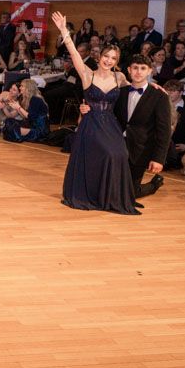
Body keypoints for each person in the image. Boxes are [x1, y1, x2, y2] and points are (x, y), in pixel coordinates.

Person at [51, 12, 138, 215]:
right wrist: (64, 31)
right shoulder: (87, 74)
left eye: (113, 58)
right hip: (91, 123)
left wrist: (157, 88)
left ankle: (110, 196)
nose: (108, 60)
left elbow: (138, 84)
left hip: (110, 124)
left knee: (120, 154)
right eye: (106, 56)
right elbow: (73, 53)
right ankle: (92, 194)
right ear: (100, 56)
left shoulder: (120, 76)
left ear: (117, 61)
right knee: (106, 155)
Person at [114, 53, 171, 203]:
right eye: (135, 68)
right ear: (129, 70)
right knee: (111, 189)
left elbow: (164, 131)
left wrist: (158, 159)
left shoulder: (159, 96)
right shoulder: (121, 92)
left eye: (143, 68)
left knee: (127, 195)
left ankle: (153, 185)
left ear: (149, 71)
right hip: (117, 146)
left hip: (140, 150)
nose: (138, 72)